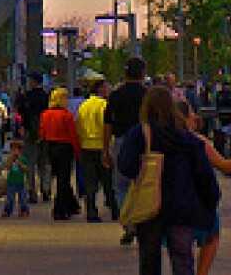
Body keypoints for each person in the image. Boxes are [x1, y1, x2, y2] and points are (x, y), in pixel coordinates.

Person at [118, 85, 220, 275]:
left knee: (149, 259)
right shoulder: (188, 139)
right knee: (183, 259)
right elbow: (204, 176)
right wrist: (210, 202)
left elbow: (126, 167)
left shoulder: (141, 134)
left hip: (150, 206)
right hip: (183, 207)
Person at [175, 98, 231, 275]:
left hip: (175, 199)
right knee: (211, 235)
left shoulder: (165, 139)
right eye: (191, 112)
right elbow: (225, 165)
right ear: (184, 117)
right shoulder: (197, 141)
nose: (195, 116)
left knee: (180, 245)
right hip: (200, 200)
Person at [103, 55, 146, 244]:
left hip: (122, 141)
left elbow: (108, 125)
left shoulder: (116, 96)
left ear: (125, 73)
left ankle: (128, 223)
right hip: (146, 143)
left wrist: (105, 149)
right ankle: (142, 221)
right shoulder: (149, 95)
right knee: (143, 184)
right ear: (143, 73)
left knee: (121, 185)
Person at [76, 78, 117, 222]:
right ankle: (114, 208)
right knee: (107, 180)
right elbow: (107, 126)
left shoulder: (84, 106)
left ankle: (91, 211)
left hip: (86, 146)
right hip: (101, 146)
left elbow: (78, 126)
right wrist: (109, 146)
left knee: (90, 181)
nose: (108, 90)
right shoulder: (104, 105)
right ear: (100, 89)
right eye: (106, 87)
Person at [38, 87, 81, 220]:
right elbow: (72, 135)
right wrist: (78, 152)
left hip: (51, 147)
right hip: (65, 147)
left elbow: (42, 133)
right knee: (64, 178)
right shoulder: (66, 115)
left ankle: (71, 205)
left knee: (59, 177)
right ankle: (60, 208)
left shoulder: (45, 114)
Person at [19, 71, 51, 203]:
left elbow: (21, 112)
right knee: (44, 162)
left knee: (30, 163)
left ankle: (32, 192)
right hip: (45, 132)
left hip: (29, 132)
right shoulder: (46, 96)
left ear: (33, 81)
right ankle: (46, 189)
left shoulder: (27, 96)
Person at [1, 139, 30, 217]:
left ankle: (24, 211)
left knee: (23, 198)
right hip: (11, 181)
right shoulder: (10, 158)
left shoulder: (23, 159)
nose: (14, 151)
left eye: (16, 149)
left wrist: (20, 164)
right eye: (12, 149)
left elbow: (26, 169)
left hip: (20, 182)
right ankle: (7, 211)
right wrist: (11, 158)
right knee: (9, 198)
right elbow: (7, 167)